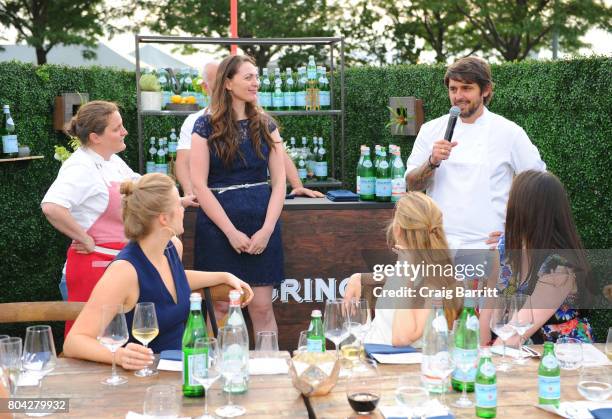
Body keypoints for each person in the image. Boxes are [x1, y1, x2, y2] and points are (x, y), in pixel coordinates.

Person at [63, 173, 254, 368]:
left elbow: (170, 280)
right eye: (178, 205)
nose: (182, 209)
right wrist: (120, 356)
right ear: (163, 218)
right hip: (145, 379)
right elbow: (74, 341)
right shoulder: (124, 272)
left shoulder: (172, 247)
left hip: (187, 368)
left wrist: (224, 276)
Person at [405, 57, 545, 250]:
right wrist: (432, 161)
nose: (458, 96)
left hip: (488, 248)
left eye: (467, 88)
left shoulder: (509, 132)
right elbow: (411, 186)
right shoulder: (430, 130)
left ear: (485, 90)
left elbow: (540, 188)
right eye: (453, 89)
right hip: (438, 245)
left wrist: (516, 234)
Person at [190, 54, 285, 335]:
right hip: (218, 228)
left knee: (262, 307)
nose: (255, 82)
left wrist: (267, 230)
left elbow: (279, 183)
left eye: (256, 77)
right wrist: (230, 231)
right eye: (248, 77)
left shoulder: (267, 125)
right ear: (228, 83)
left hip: (261, 224)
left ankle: (268, 372)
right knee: (220, 308)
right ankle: (211, 373)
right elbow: (199, 185)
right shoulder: (204, 126)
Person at [41, 101, 140, 331]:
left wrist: (176, 198)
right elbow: (52, 206)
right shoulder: (80, 166)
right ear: (96, 137)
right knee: (90, 342)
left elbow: (139, 184)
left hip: (114, 267)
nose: (124, 132)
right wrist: (84, 238)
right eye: (117, 128)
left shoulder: (112, 161)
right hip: (91, 270)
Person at [176, 60, 323, 198]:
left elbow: (278, 154)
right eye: (218, 81)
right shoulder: (196, 121)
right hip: (214, 199)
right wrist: (191, 193)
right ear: (205, 86)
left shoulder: (259, 119)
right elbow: (183, 162)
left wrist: (297, 186)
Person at [479, 170, 596, 345]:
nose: (506, 206)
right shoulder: (505, 246)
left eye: (511, 198)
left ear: (525, 209)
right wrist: (477, 350)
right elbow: (487, 312)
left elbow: (514, 335)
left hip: (558, 360)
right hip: (511, 355)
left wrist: (483, 362)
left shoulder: (559, 267)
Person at [344, 192, 462, 347]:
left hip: (395, 364)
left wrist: (406, 271)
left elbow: (402, 339)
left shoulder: (431, 282)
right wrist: (359, 278)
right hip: (375, 355)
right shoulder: (422, 264)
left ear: (397, 229)